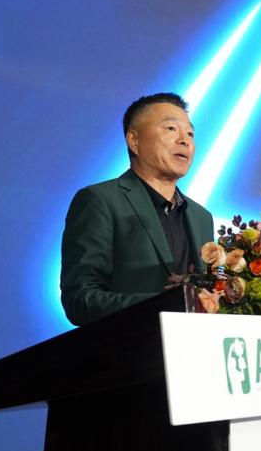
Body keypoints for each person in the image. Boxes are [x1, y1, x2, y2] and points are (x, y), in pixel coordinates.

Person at [60, 93, 215, 326]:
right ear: (134, 141)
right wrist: (169, 305)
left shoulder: (201, 217)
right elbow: (80, 300)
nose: (185, 140)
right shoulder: (100, 200)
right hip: (130, 345)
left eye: (190, 134)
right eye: (171, 129)